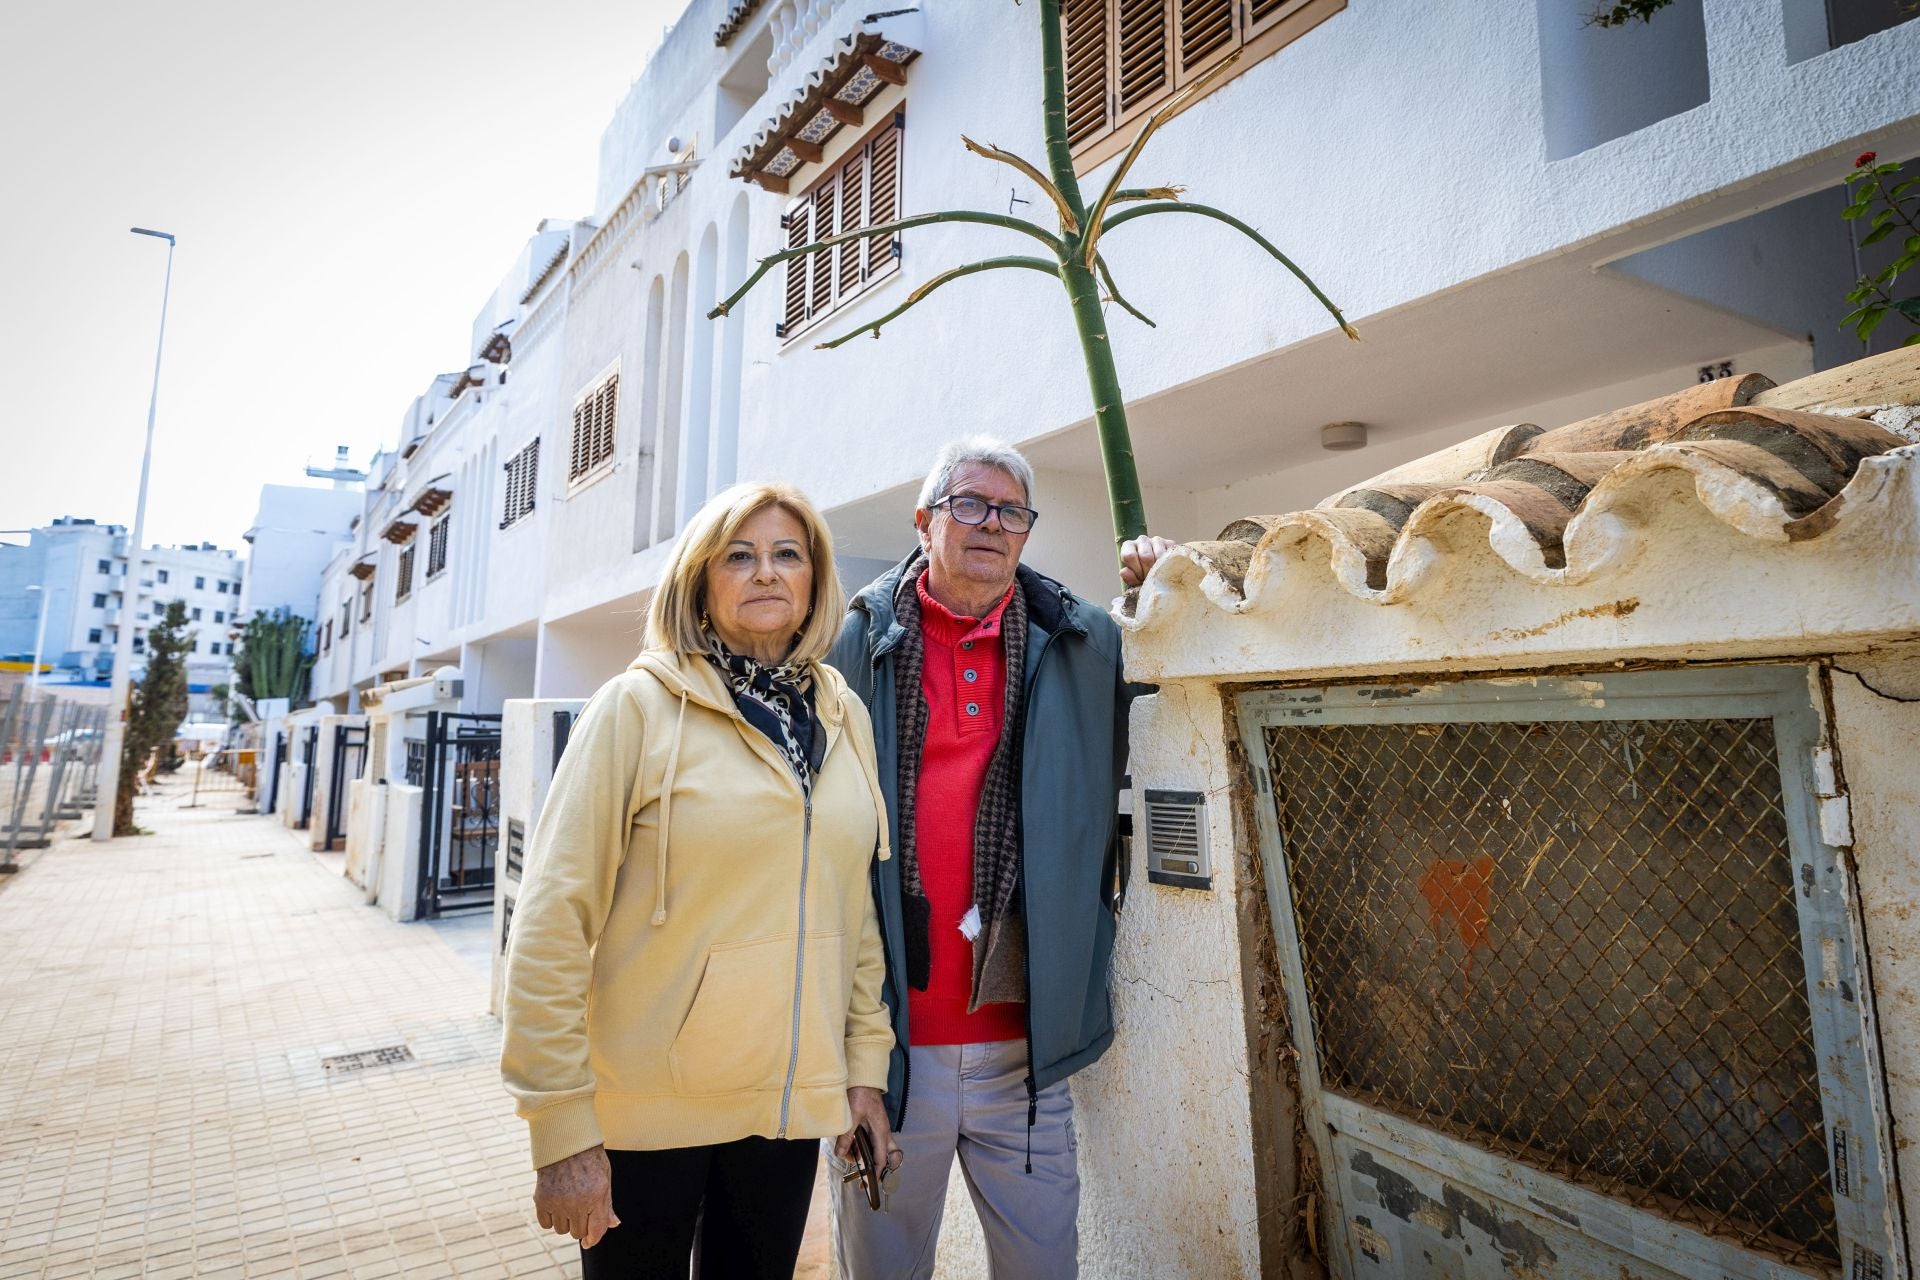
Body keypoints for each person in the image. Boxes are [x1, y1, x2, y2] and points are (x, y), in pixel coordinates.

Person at [501, 481, 903, 1280]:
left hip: (787, 1112)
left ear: (815, 581)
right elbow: (551, 923)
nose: (766, 573)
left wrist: (861, 1072)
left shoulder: (842, 715)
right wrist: (560, 1129)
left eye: (788, 555)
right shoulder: (635, 710)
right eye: (739, 556)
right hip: (646, 1118)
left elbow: (853, 913)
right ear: (699, 581)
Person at [828, 437, 1173, 1279]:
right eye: (969, 504)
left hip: (1026, 1046)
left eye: (1012, 511)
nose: (992, 524)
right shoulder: (850, 645)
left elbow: (1170, 697)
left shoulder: (1082, 639)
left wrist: (1158, 587)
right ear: (924, 521)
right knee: (882, 1269)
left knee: (1044, 1266)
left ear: (1027, 532)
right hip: (888, 1050)